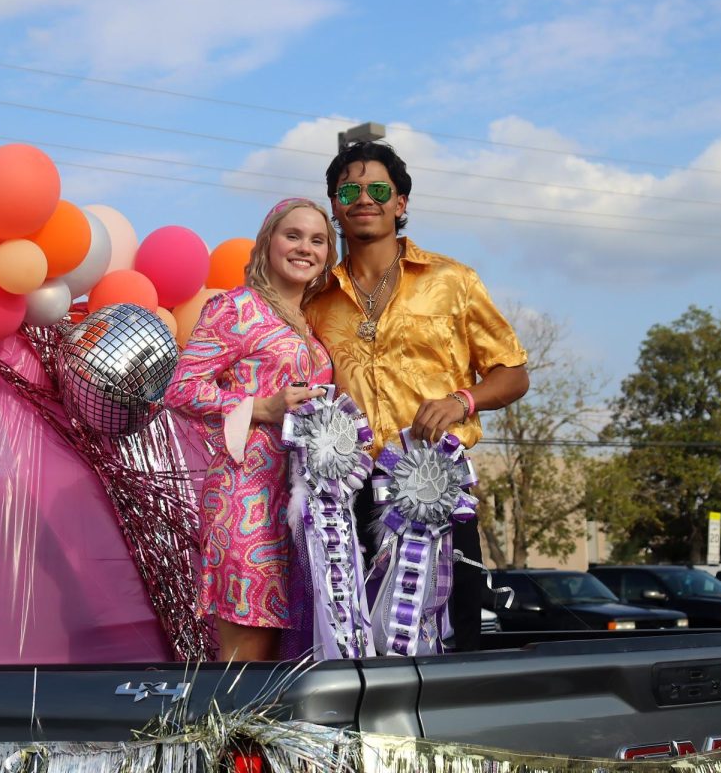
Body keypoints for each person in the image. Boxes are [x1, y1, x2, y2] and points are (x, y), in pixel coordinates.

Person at [306, 141, 529, 652]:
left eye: (379, 189)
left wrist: (462, 402)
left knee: (451, 648)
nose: (365, 198)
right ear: (336, 206)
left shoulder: (453, 281)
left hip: (436, 493)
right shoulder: (314, 299)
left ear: (400, 203)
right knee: (352, 653)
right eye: (350, 190)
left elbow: (513, 372)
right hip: (344, 503)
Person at [164, 198, 337, 661]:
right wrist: (262, 407)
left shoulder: (311, 324)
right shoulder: (237, 308)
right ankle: (225, 739)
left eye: (317, 240)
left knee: (291, 659)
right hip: (247, 504)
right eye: (293, 235)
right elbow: (181, 390)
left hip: (302, 509)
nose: (305, 248)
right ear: (268, 243)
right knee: (247, 665)